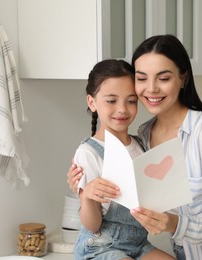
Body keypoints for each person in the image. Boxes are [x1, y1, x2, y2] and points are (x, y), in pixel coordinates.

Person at [68, 35, 202, 260]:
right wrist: (85, 193)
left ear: (182, 78)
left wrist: (174, 223)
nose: (151, 89)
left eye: (163, 78)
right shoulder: (144, 137)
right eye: (142, 78)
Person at [71, 59, 175, 260]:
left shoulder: (141, 145)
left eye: (131, 100)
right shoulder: (88, 153)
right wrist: (87, 197)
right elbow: (92, 225)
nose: (122, 109)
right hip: (99, 246)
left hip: (138, 244)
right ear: (92, 102)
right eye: (111, 101)